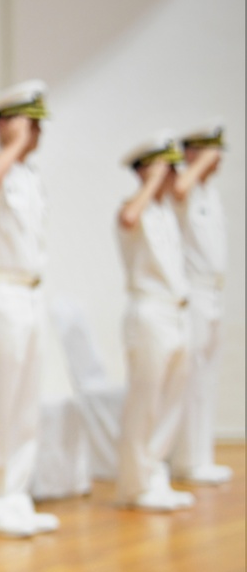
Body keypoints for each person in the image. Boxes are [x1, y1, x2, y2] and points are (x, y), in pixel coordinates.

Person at [0, 80, 60, 537]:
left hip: (30, 293)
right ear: (5, 123)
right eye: (28, 123)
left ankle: (16, 495)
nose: (36, 133)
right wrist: (15, 144)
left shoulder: (30, 175)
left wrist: (22, 148)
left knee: (24, 403)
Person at [115, 132, 194, 511]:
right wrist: (148, 182)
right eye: (165, 167)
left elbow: (183, 192)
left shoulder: (165, 212)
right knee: (145, 400)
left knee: (171, 400)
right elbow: (129, 217)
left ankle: (155, 474)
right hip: (148, 313)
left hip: (176, 311)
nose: (172, 175)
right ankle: (135, 483)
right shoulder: (136, 207)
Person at [169, 122, 233, 485]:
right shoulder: (185, 189)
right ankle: (187, 460)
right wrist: (193, 163)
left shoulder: (208, 193)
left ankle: (201, 455)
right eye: (211, 151)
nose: (218, 159)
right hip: (192, 292)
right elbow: (178, 189)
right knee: (190, 377)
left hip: (214, 292)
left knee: (207, 377)